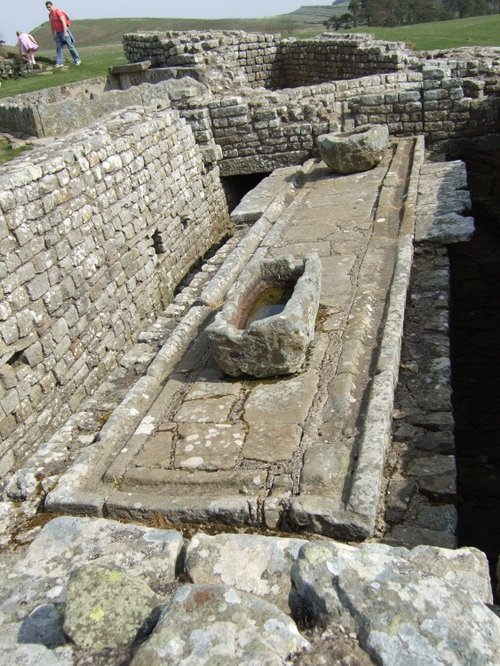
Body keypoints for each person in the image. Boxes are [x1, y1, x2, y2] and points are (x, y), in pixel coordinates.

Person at [45, 1, 81, 67]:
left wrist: (65, 32)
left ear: (52, 5)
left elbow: (63, 21)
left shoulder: (57, 11)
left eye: (49, 7)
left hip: (63, 32)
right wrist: (53, 34)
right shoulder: (50, 15)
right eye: (47, 7)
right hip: (57, 33)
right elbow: (52, 25)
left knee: (70, 46)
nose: (48, 8)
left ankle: (77, 60)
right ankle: (60, 63)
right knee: (58, 48)